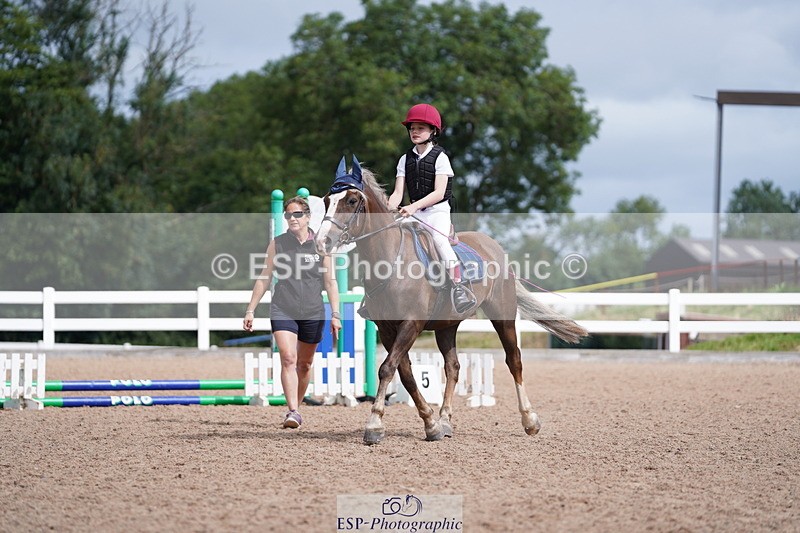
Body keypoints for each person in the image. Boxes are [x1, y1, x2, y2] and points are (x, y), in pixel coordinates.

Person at [243, 196, 341, 429]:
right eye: (288, 215)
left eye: (297, 214)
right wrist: (250, 310)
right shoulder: (278, 244)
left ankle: (296, 407)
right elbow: (264, 278)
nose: (292, 218)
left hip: (313, 311)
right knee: (288, 358)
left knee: (305, 364)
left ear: (308, 217)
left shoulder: (322, 244)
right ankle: (293, 411)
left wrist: (336, 314)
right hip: (283, 308)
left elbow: (331, 282)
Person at [387, 103, 476, 314]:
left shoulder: (440, 157)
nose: (415, 132)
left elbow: (438, 192)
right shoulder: (404, 159)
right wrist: (387, 210)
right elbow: (398, 193)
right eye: (412, 128)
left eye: (420, 128)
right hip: (414, 212)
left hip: (438, 212)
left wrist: (413, 206)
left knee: (439, 241)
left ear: (433, 131)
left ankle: (458, 287)